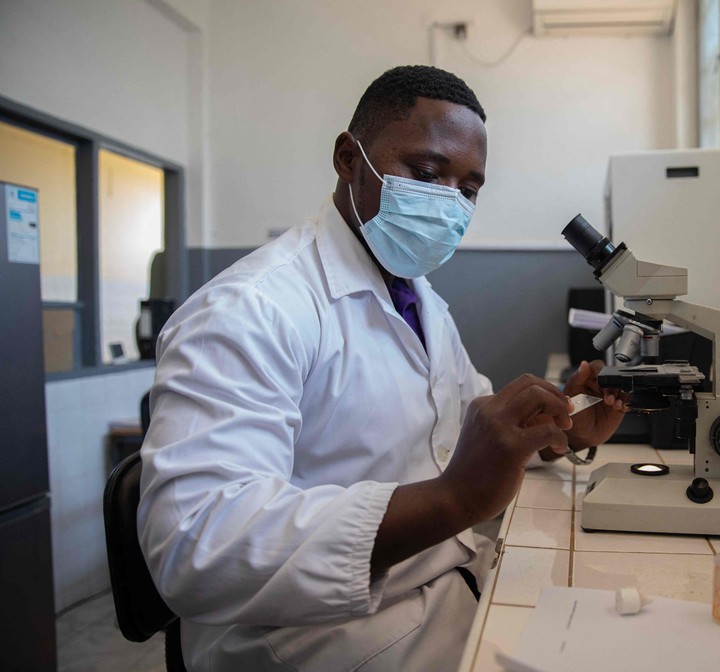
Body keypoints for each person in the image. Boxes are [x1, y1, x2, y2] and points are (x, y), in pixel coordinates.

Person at [138, 65, 625, 672]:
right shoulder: (249, 310)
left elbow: (468, 427)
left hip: (435, 590)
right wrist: (451, 499)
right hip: (313, 640)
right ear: (349, 159)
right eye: (426, 174)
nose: (449, 201)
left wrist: (561, 429)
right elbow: (198, 548)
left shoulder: (417, 297)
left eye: (468, 189)